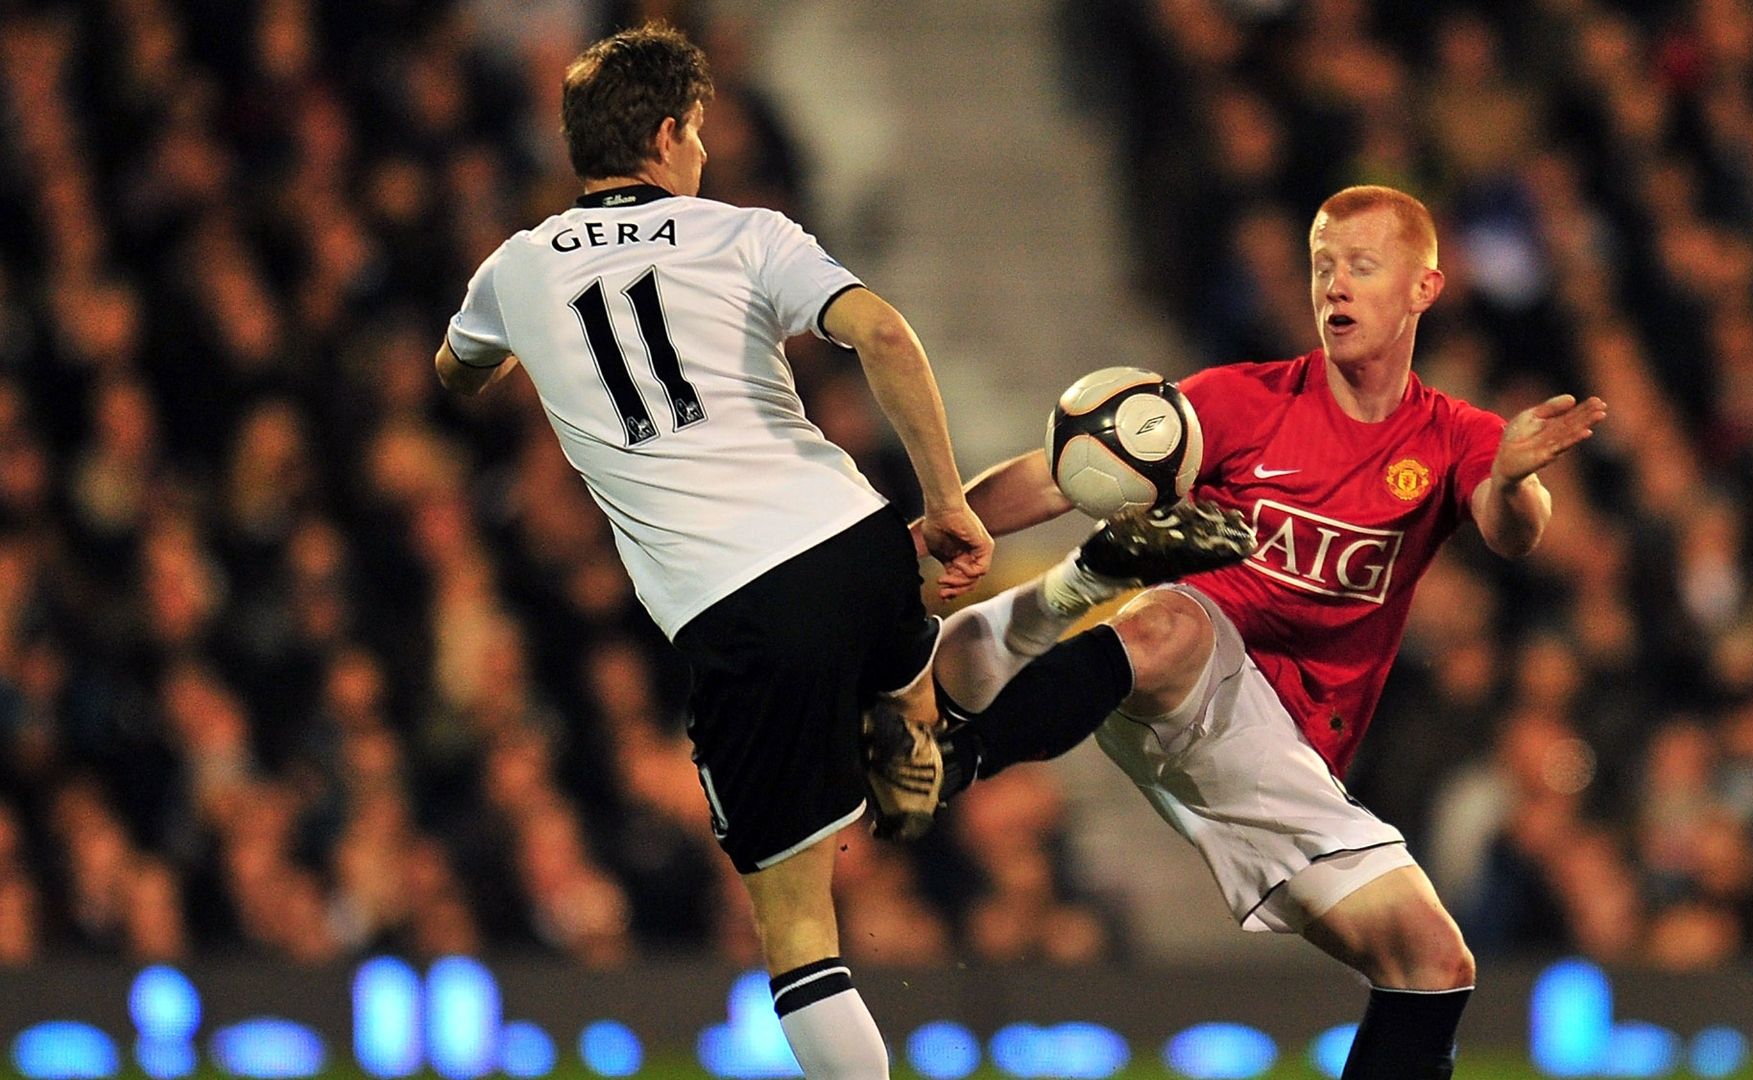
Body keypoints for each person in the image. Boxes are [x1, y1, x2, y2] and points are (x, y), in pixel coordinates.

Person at [906, 185, 1607, 1080]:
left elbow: (1519, 533)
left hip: (1287, 753)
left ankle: (1039, 621)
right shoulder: (1244, 402)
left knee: (1432, 963)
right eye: (1323, 267)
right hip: (1186, 669)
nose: (1335, 287)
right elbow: (1062, 473)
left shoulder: (1452, 436)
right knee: (1170, 618)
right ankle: (949, 760)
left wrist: (1511, 479)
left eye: (1361, 265)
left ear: (1424, 288)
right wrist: (936, 530)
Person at [434, 24, 991, 1078]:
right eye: (698, 134)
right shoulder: (746, 234)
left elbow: (455, 372)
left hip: (741, 606)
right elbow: (882, 336)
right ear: (665, 133)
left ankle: (900, 734)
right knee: (904, 626)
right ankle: (915, 715)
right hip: (855, 536)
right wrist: (947, 498)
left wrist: (513, 361)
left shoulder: (511, 270)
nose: (704, 154)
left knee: (795, 932)